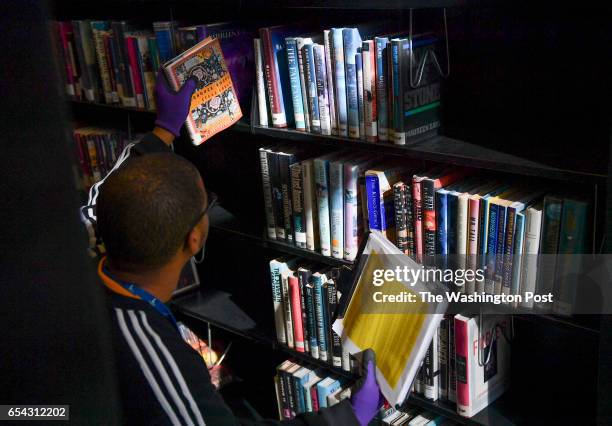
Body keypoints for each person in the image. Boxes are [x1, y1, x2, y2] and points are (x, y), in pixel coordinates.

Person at [85, 73, 384, 425]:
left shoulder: (83, 254)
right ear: (194, 239)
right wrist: (350, 417)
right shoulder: (150, 353)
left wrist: (164, 131)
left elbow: (102, 197)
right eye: (206, 203)